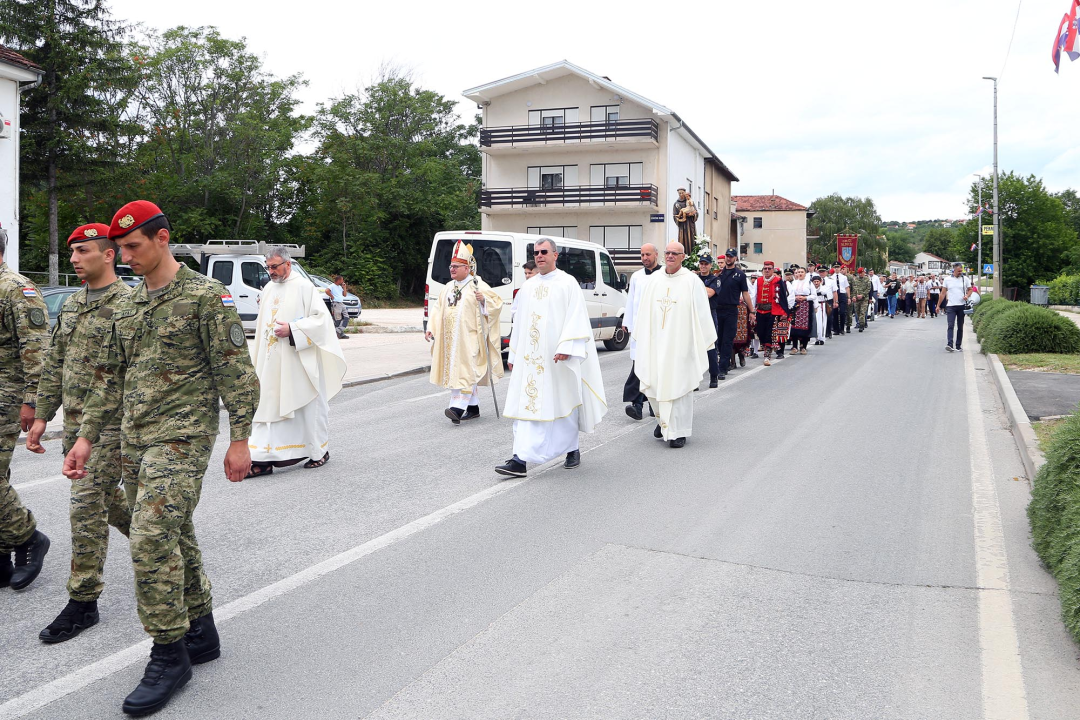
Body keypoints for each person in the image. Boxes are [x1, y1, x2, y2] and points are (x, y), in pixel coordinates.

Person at [64, 200, 261, 716]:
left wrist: (240, 438)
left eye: (132, 246)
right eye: (120, 248)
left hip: (183, 438)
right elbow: (109, 380)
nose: (123, 255)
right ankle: (203, 628)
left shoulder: (204, 297)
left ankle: (168, 652)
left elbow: (235, 372)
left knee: (150, 533)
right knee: (174, 532)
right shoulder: (127, 307)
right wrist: (85, 436)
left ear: (162, 239)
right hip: (134, 439)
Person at [26, 223, 132, 643]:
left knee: (86, 505)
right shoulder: (71, 304)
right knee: (112, 504)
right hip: (74, 426)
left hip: (112, 425)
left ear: (109, 254)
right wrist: (40, 415)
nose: (73, 259)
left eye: (82, 251)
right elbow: (55, 363)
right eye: (71, 252)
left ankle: (83, 601)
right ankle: (161, 545)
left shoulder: (129, 304)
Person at [496, 238, 607, 477]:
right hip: (530, 359)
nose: (539, 256)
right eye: (536, 252)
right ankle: (520, 458)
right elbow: (520, 321)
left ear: (555, 255)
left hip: (557, 357)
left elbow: (576, 317)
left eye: (544, 252)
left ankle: (572, 449)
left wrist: (568, 345)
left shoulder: (567, 283)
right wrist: (514, 352)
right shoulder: (527, 286)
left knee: (562, 402)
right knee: (526, 405)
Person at [248, 245, 346, 476]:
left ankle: (318, 451)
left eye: (274, 267)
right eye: (268, 267)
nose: (270, 271)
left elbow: (322, 321)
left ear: (288, 264)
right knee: (268, 404)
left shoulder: (304, 287)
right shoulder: (269, 289)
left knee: (307, 406)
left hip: (298, 359)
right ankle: (263, 457)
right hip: (272, 361)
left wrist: (293, 329)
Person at [0, 228, 51, 592]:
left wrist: (32, 401)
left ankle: (29, 537)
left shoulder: (17, 289)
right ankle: (2, 558)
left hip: (6, 395)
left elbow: (36, 348)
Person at [633, 242, 717, 448]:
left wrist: (698, 342)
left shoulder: (692, 281)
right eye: (667, 252)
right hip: (656, 343)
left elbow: (701, 314)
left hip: (681, 343)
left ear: (683, 257)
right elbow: (643, 312)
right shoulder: (653, 280)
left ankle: (678, 431)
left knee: (679, 386)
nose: (670, 256)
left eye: (674, 253)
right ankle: (663, 423)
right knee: (656, 382)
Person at [426, 240, 503, 425]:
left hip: (470, 339)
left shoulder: (477, 285)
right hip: (451, 340)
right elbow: (437, 309)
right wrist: (431, 328)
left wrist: (484, 300)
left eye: (456, 266)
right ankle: (473, 408)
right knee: (455, 372)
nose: (452, 269)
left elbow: (497, 304)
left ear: (467, 268)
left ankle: (457, 408)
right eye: (451, 266)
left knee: (467, 371)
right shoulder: (448, 287)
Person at [622, 244, 660, 420]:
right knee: (640, 366)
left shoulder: (664, 275)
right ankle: (637, 405)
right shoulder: (636, 277)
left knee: (656, 368)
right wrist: (627, 322)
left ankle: (654, 404)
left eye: (648, 254)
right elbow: (631, 301)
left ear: (656, 255)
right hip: (640, 328)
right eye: (642, 254)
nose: (644, 257)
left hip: (659, 329)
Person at [714, 248, 754, 377]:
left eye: (731, 256)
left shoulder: (740, 275)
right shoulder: (719, 274)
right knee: (719, 339)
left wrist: (752, 311)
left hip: (731, 310)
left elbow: (746, 294)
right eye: (727, 256)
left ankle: (723, 368)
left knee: (727, 339)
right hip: (718, 309)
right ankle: (720, 364)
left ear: (735, 258)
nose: (728, 258)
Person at [753, 261, 790, 366]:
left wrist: (784, 311)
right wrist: (752, 310)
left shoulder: (778, 280)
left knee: (770, 332)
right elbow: (754, 295)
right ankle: (766, 347)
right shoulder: (759, 281)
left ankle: (767, 354)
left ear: (773, 270)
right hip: (760, 310)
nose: (767, 270)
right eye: (765, 268)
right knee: (760, 332)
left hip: (772, 311)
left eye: (769, 268)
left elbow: (783, 297)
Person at [696, 254, 722, 388]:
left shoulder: (715, 280)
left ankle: (713, 376)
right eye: (701, 263)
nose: (703, 266)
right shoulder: (694, 278)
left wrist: (695, 285)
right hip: (695, 314)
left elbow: (709, 293)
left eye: (706, 264)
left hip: (709, 315)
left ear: (711, 265)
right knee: (693, 347)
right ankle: (694, 379)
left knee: (710, 346)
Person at [938, 262, 974, 352]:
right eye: (958, 271)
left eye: (961, 270)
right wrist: (938, 305)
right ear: (954, 270)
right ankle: (949, 344)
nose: (960, 272)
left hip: (961, 306)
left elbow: (970, 289)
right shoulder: (947, 280)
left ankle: (958, 345)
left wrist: (967, 296)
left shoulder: (965, 279)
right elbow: (942, 293)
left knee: (960, 326)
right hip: (950, 306)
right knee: (950, 325)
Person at [787, 267, 817, 353]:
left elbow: (814, 296)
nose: (800, 274)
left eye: (802, 272)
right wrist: (795, 298)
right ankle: (794, 346)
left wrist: (805, 298)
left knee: (805, 326)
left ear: (805, 273)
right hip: (795, 305)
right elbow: (790, 294)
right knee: (793, 326)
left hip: (806, 306)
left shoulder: (809, 283)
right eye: (798, 272)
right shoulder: (793, 283)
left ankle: (803, 346)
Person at [849, 267, 872, 333]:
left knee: (862, 312)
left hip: (864, 298)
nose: (860, 274)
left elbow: (868, 289)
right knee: (857, 312)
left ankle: (861, 325)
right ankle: (860, 322)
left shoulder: (867, 280)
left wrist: (862, 295)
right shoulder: (855, 280)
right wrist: (854, 296)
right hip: (857, 299)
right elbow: (853, 289)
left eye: (861, 273)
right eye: (859, 273)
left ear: (864, 272)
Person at [832, 264, 850, 335]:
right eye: (835, 267)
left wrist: (848, 297)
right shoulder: (831, 277)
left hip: (842, 294)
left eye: (838, 267)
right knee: (835, 312)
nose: (836, 269)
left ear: (840, 268)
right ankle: (836, 329)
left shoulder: (844, 277)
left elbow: (847, 287)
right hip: (834, 294)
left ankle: (842, 328)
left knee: (842, 312)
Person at [812, 275, 830, 345]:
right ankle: (816, 338)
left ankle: (822, 338)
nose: (816, 283)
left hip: (822, 305)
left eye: (817, 281)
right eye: (814, 282)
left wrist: (816, 293)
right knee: (816, 322)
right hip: (814, 306)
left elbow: (823, 292)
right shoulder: (812, 288)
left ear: (820, 282)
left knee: (822, 322)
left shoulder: (823, 288)